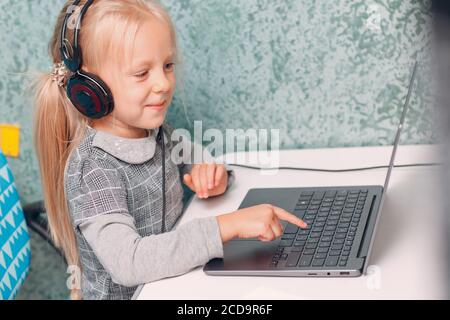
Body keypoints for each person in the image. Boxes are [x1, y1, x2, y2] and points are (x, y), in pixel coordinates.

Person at [32, 0, 306, 300]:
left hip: (172, 286)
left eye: (167, 65)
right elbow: (130, 263)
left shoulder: (156, 133)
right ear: (90, 86)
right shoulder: (94, 169)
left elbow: (197, 160)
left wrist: (211, 174)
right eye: (141, 73)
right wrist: (226, 227)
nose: (163, 83)